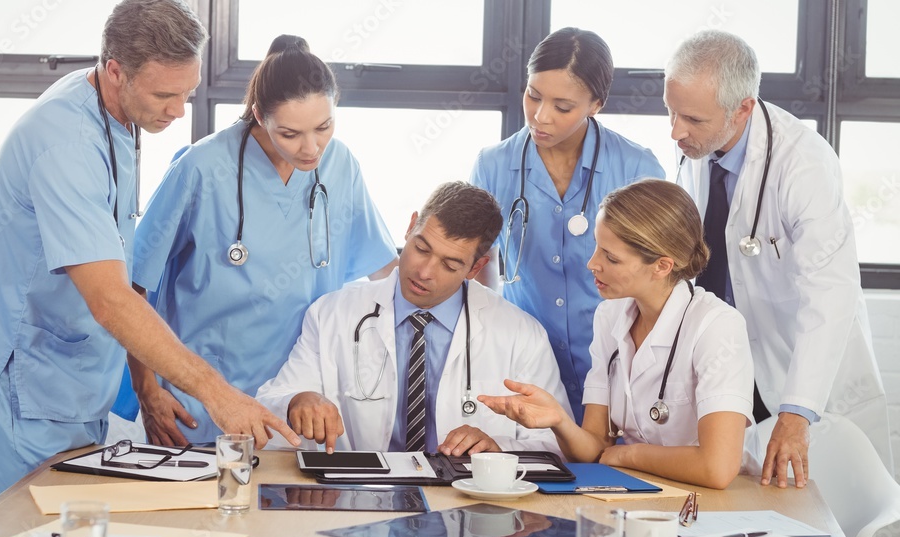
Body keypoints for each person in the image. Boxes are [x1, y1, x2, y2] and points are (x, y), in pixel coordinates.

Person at [0, 0, 299, 497]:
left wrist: (144, 383)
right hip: (23, 381)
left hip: (73, 377)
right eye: (163, 97)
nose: (179, 111)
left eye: (188, 93)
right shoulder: (65, 144)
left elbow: (123, 263)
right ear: (115, 71)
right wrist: (219, 395)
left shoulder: (116, 113)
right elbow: (111, 298)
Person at [126, 35, 397, 446]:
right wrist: (147, 391)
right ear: (259, 115)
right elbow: (134, 285)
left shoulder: (340, 164)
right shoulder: (201, 168)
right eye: (290, 134)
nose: (311, 149)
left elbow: (383, 268)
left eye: (323, 127)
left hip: (301, 398)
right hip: (204, 401)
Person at [664, 30, 892, 488]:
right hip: (728, 359)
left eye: (691, 118)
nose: (675, 131)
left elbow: (831, 293)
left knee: (812, 515)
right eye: (670, 111)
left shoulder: (802, 165)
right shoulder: (696, 144)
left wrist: (797, 411)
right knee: (727, 500)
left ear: (743, 108)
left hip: (794, 363)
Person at [255, 181, 570, 456]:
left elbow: (555, 444)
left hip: (468, 502)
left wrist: (499, 449)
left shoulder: (522, 334)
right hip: (362, 496)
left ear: (475, 269)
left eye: (450, 264)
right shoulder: (331, 314)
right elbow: (273, 402)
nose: (424, 273)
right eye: (421, 248)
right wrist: (298, 400)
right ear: (411, 226)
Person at [480, 179, 754, 489]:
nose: (592, 263)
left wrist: (628, 455)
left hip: (714, 503)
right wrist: (558, 420)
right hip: (642, 491)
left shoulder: (716, 326)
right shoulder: (610, 317)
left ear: (662, 266)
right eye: (596, 247)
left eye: (611, 258)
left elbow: (716, 468)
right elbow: (595, 447)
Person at [470, 27, 665, 421]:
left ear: (596, 103)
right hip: (524, 364)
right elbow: (477, 271)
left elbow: (662, 281)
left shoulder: (637, 167)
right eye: (533, 95)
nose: (540, 117)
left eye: (562, 107)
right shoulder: (492, 165)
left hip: (618, 365)